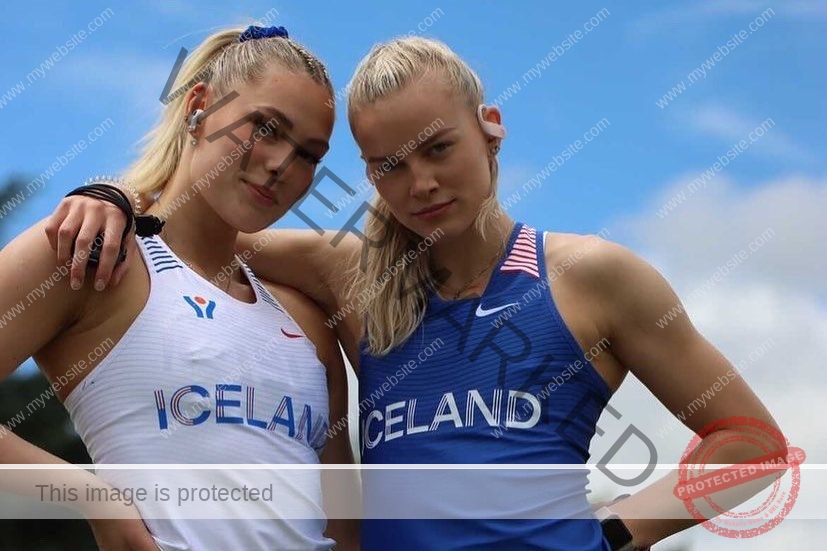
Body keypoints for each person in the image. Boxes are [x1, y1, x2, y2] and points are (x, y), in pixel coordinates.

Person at [49, 36, 785, 550]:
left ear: (488, 128)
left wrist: (619, 530)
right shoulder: (354, 277)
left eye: (438, 148)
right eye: (390, 164)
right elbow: (189, 224)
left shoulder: (590, 276)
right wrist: (109, 194)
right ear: (370, 174)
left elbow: (753, 447)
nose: (421, 183)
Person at [0, 24, 357, 551]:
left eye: (308, 154)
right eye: (266, 127)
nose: (282, 164)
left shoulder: (306, 324)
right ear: (199, 107)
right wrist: (88, 495)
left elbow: (345, 527)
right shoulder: (92, 255)